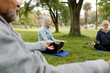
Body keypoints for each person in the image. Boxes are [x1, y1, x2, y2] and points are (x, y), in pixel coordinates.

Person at [0, 0, 110, 73]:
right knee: (53, 45)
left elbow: (23, 45)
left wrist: (58, 40)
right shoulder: (42, 29)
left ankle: (54, 48)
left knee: (58, 43)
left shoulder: (6, 27)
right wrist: (104, 65)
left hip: (45, 46)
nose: (18, 4)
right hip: (46, 46)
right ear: (45, 22)